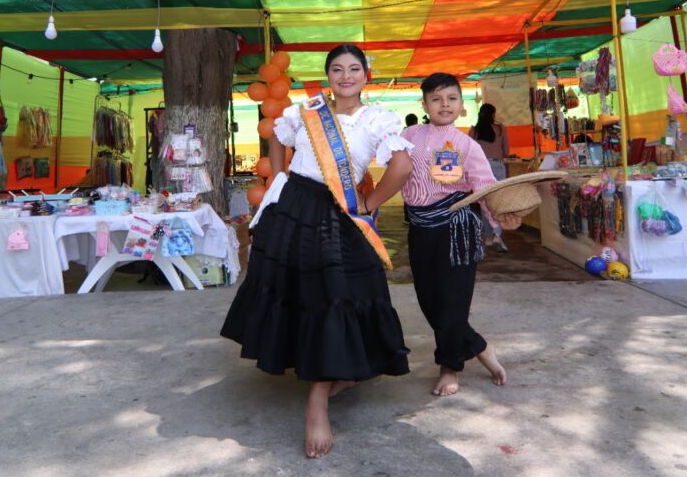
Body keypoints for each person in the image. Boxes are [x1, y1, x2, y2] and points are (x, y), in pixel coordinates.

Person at [221, 44, 414, 459]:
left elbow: (401, 166)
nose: (346, 76)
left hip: (339, 214)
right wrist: (278, 178)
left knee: (337, 297)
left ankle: (319, 397)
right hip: (293, 207)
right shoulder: (306, 111)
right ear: (328, 74)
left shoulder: (378, 119)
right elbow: (276, 134)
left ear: (367, 75)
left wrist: (371, 201)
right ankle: (323, 382)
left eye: (354, 69)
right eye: (337, 69)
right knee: (302, 295)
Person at [400, 73, 520, 398]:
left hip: (457, 229)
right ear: (424, 104)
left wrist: (500, 218)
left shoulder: (467, 145)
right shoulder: (408, 135)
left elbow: (485, 187)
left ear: (462, 106)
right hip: (420, 228)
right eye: (436, 99)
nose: (444, 105)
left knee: (453, 303)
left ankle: (449, 366)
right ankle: (481, 347)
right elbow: (395, 171)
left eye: (452, 98)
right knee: (429, 302)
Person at [469, 103, 512, 251]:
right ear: (493, 114)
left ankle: (488, 236)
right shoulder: (500, 128)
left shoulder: (474, 131)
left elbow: (469, 153)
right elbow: (506, 151)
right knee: (497, 202)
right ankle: (497, 235)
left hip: (479, 169)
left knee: (484, 203)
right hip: (497, 166)